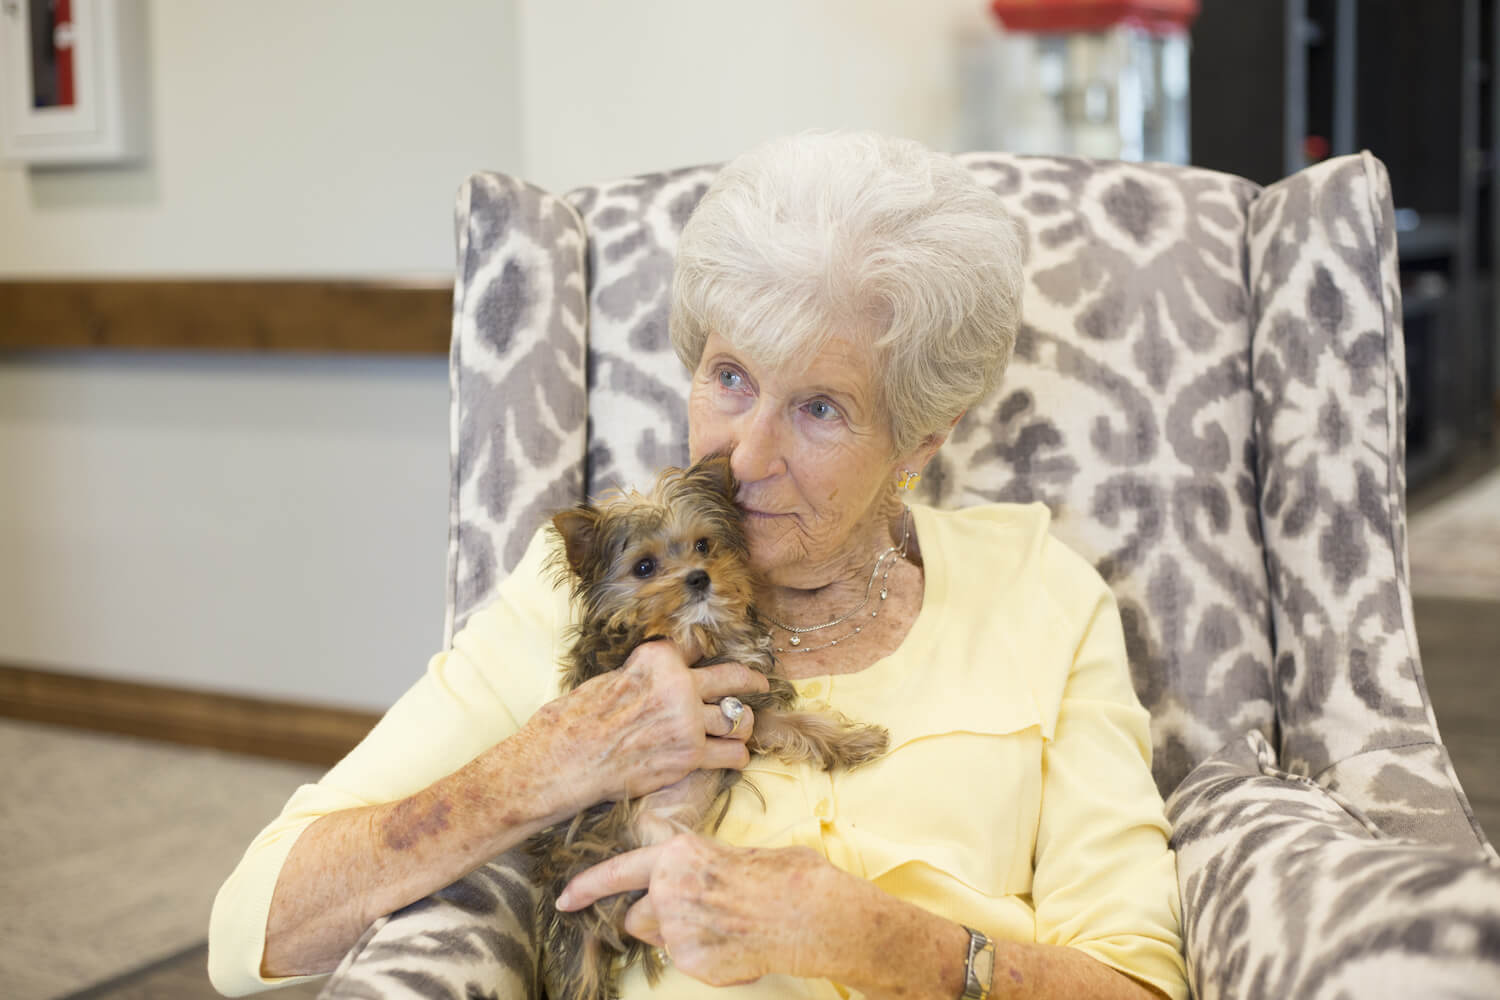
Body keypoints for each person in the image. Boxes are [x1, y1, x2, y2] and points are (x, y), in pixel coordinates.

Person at [209, 131, 1187, 1000]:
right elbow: (254, 921)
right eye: (729, 379)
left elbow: (1136, 982)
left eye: (818, 408)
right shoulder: (590, 589)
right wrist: (537, 765)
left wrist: (881, 941)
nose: (743, 457)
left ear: (921, 440)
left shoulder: (1041, 594)